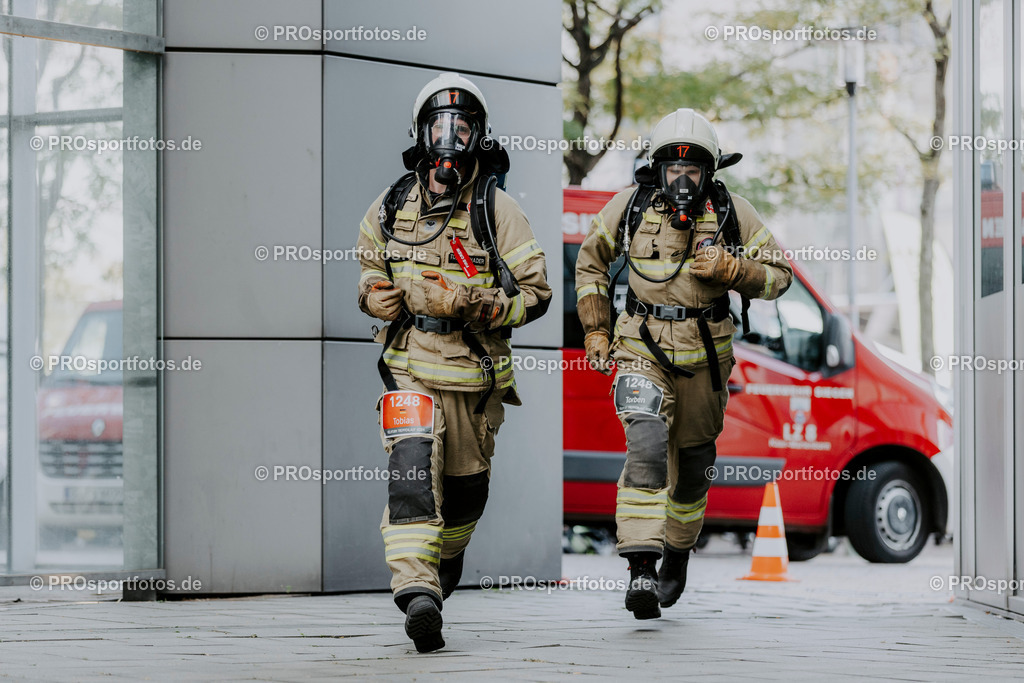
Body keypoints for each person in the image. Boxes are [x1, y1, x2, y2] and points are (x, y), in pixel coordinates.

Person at [356, 72, 551, 652]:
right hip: (409, 361)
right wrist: (372, 294)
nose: (448, 137)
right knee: (411, 467)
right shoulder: (391, 204)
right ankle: (417, 593)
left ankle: (447, 560)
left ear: (478, 137)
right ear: (420, 132)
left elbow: (536, 295)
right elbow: (370, 263)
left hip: (472, 372)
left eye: (461, 127)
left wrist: (479, 303)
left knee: (465, 493)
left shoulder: (499, 210)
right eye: (438, 125)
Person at [574, 108, 793, 619]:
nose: (681, 178)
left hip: (706, 364)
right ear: (656, 168)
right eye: (672, 169)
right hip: (639, 352)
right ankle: (641, 569)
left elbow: (780, 276)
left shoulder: (734, 213)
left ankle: (676, 554)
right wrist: (597, 328)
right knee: (646, 441)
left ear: (708, 172)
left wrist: (735, 267)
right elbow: (590, 262)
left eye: (692, 169)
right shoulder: (628, 208)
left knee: (693, 471)